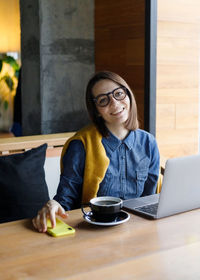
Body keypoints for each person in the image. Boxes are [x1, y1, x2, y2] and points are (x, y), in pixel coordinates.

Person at [32, 71, 160, 232]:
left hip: (136, 230)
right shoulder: (81, 144)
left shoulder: (149, 143)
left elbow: (149, 200)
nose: (114, 103)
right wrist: (53, 204)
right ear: (97, 111)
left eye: (119, 94)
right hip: (92, 230)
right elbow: (66, 199)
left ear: (128, 94)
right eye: (103, 100)